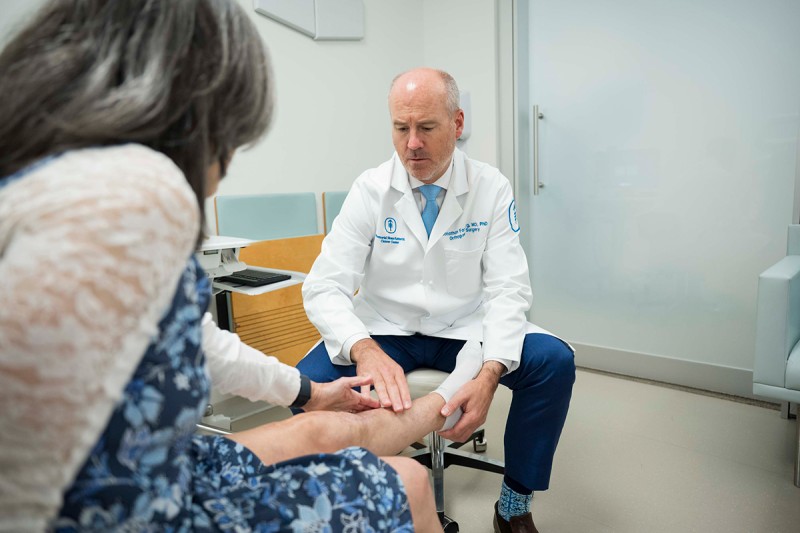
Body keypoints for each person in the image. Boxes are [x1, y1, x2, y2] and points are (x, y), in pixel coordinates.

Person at [0, 3, 481, 530]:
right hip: (126, 503)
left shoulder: (48, 178)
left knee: (322, 426)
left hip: (151, 461)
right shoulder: (139, 191)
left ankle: (438, 398)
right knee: (408, 480)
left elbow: (197, 341)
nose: (225, 163)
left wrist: (310, 392)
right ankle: (445, 400)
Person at [298, 67, 577, 533]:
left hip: (465, 325)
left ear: (457, 122)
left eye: (426, 127)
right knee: (308, 387)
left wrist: (490, 373)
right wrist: (363, 348)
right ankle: (374, 498)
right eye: (400, 128)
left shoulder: (490, 187)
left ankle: (513, 505)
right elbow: (324, 285)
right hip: (387, 328)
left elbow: (508, 287)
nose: (412, 144)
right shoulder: (370, 189)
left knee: (553, 362)